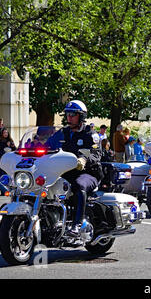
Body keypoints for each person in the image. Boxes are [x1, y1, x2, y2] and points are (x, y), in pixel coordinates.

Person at [48, 100, 103, 236]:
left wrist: (84, 159)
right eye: (67, 114)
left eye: (73, 114)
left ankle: (78, 223)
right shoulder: (62, 132)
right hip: (65, 172)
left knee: (79, 185)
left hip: (87, 173)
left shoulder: (90, 134)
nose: (69, 117)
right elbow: (48, 145)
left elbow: (96, 153)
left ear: (82, 116)